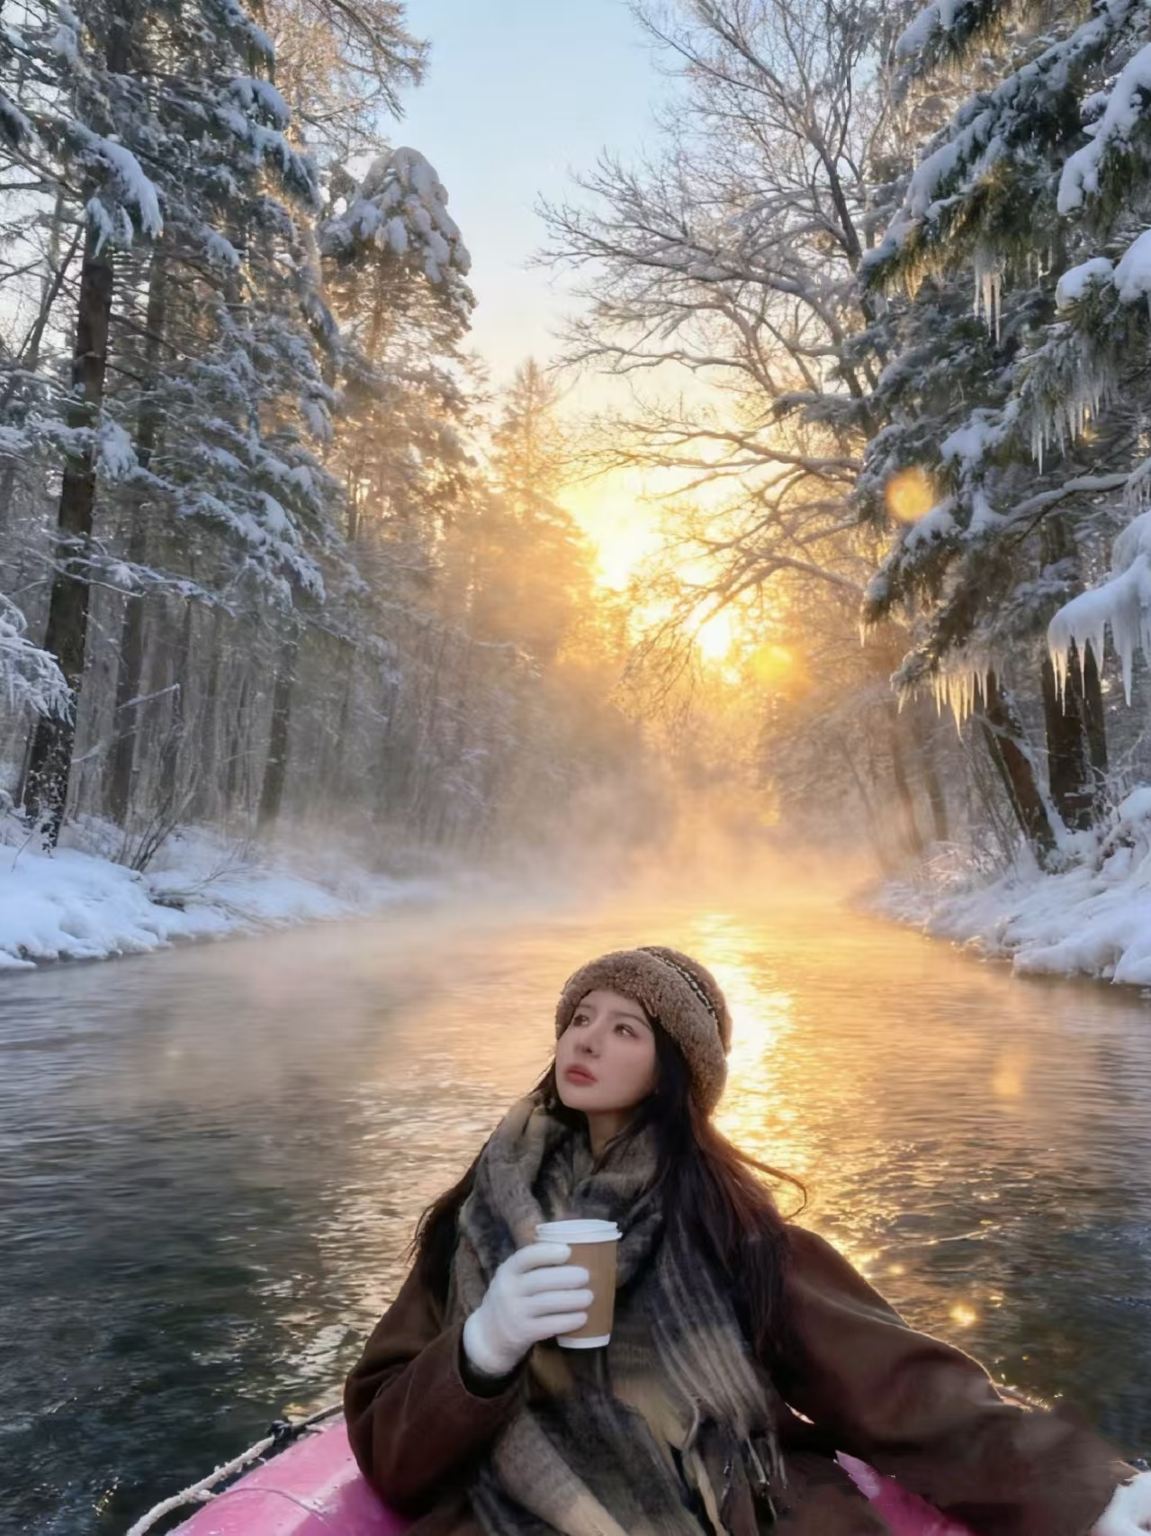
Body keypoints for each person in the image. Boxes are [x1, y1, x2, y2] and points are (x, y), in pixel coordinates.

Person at [344, 945, 1149, 1535]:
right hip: (514, 1512)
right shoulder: (478, 1217)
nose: (584, 1041)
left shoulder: (730, 1226)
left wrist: (1087, 1496)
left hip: (730, 1510)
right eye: (579, 1019)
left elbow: (899, 1389)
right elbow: (390, 1454)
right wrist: (481, 1349)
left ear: (672, 1071)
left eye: (625, 1029)